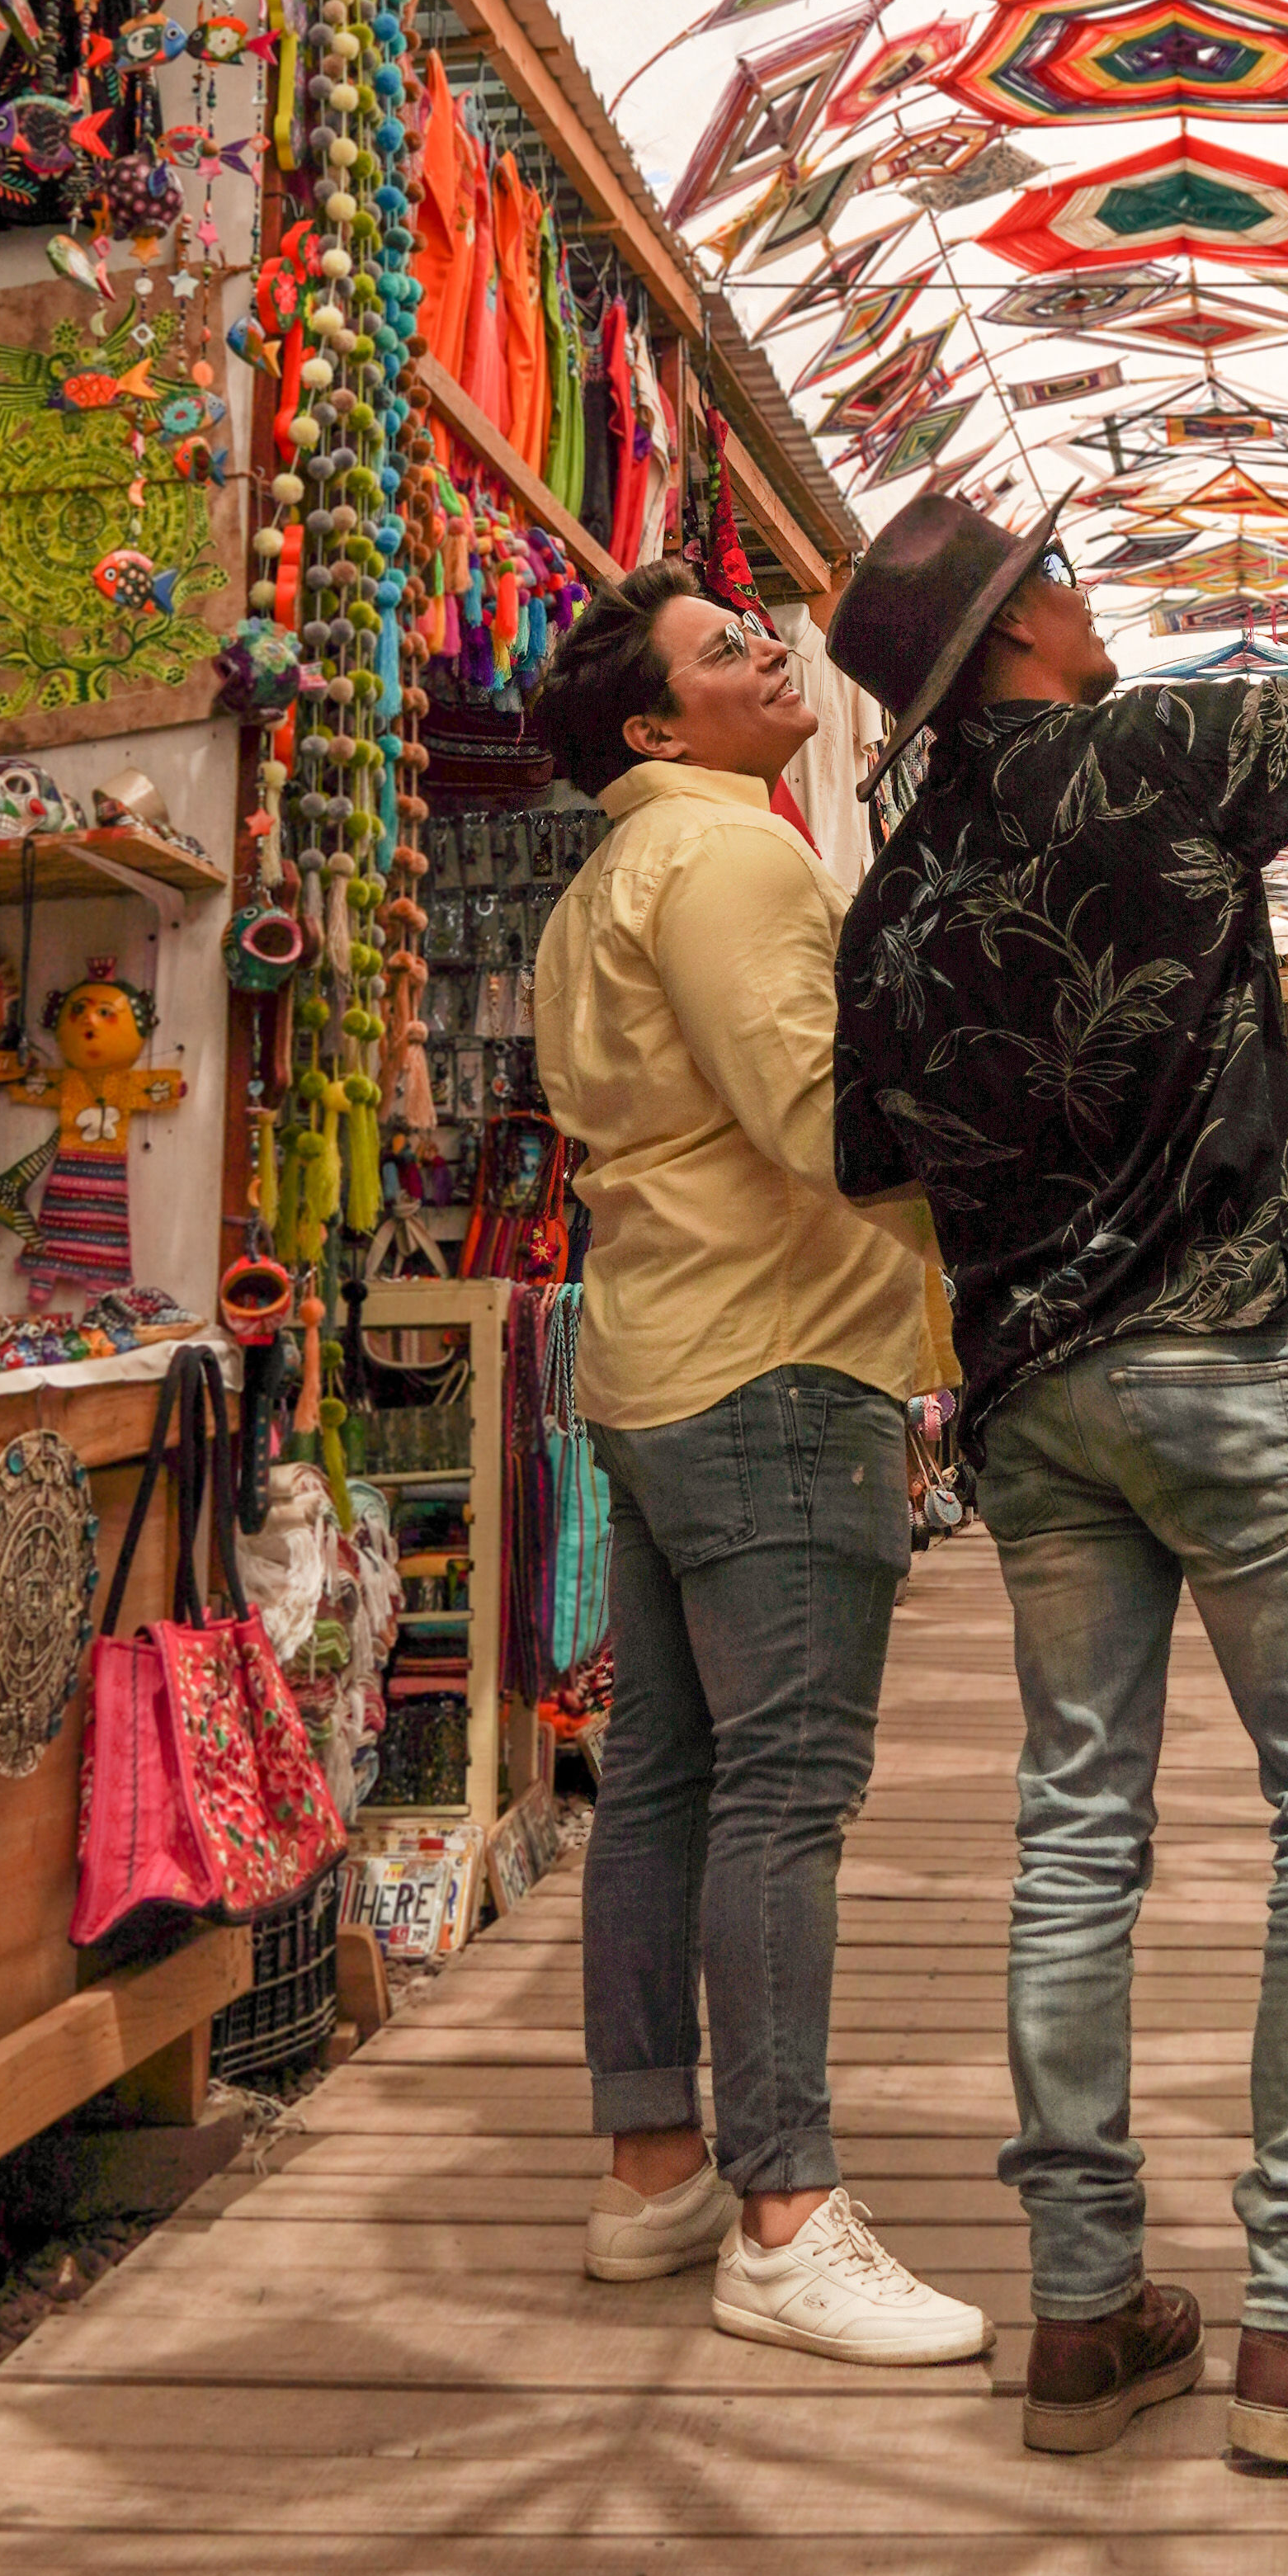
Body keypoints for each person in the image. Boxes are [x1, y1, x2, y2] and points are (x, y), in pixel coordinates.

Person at [829, 380, 1288, 2473]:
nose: (1083, 591)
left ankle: (1085, 2315)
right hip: (1230, 1357)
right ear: (1023, 640)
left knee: (1077, 1832)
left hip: (1035, 1401)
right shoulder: (1139, 755)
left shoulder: (891, 897)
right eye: (1057, 575)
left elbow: (874, 1158)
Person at [529, 564, 988, 2372]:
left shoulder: (609, 880)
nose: (768, 652)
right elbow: (821, 1120)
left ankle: (656, 2168)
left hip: (661, 1359)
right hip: (778, 1363)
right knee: (782, 1793)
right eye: (725, 649)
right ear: (657, 726)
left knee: (663, 1782)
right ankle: (785, 2215)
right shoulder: (727, 858)